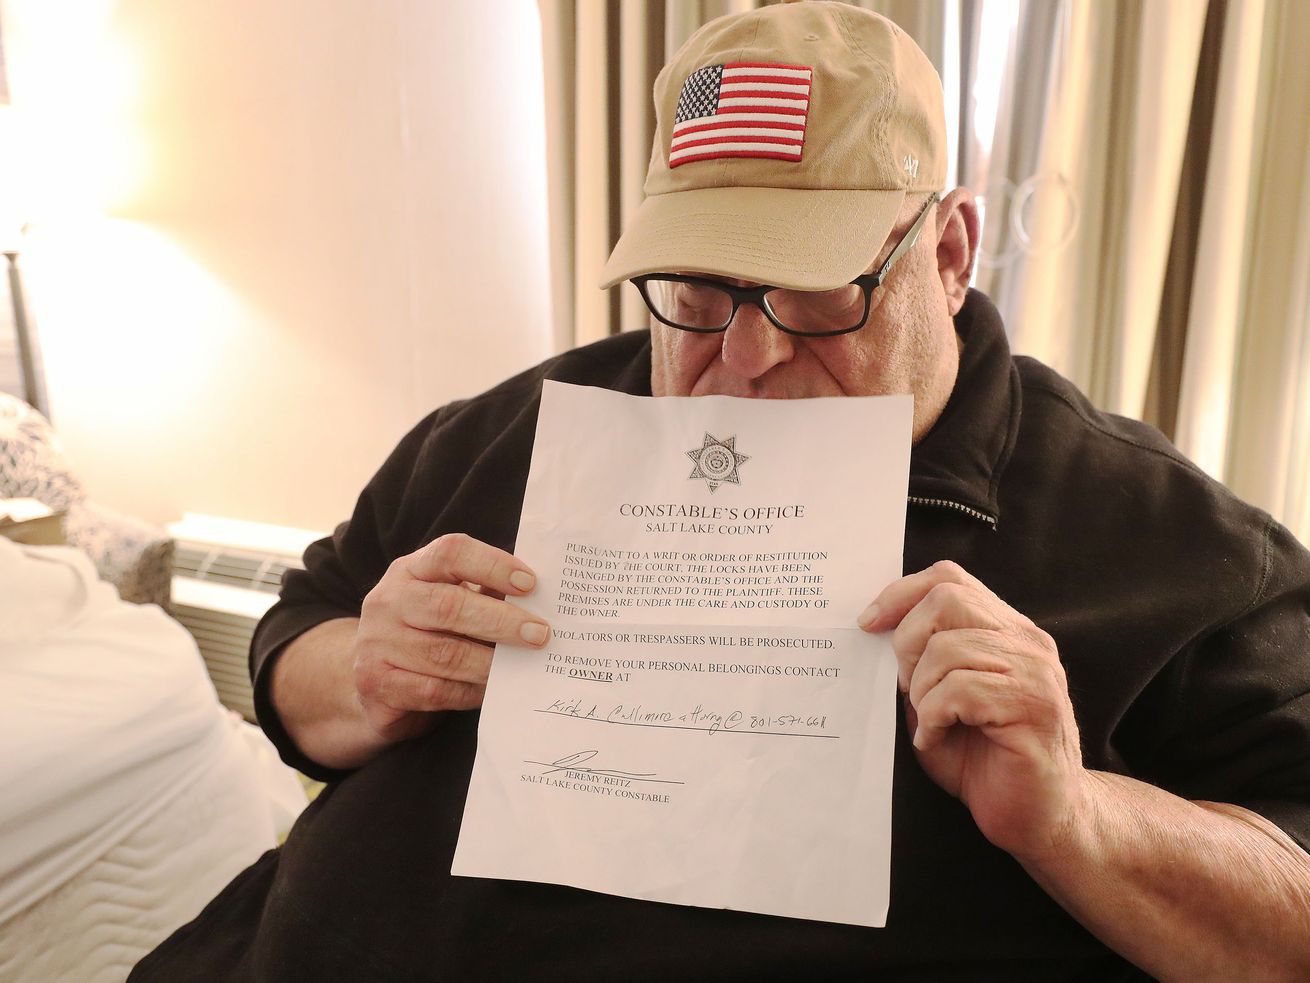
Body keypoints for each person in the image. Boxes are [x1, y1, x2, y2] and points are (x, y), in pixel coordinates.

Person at [133, 2, 1310, 980]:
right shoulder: (511, 430)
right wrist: (364, 674)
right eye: (694, 294)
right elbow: (300, 630)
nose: (744, 358)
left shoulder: (1175, 549)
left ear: (948, 253)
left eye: (816, 295)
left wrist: (1074, 817)